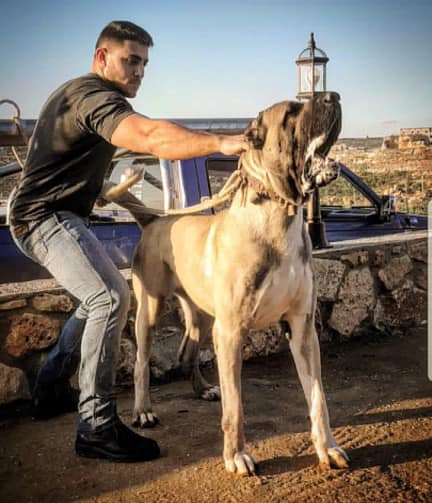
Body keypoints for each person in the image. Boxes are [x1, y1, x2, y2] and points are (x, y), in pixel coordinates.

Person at [9, 20, 248, 463]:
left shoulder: (85, 96)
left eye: (144, 64)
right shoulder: (92, 96)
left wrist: (95, 189)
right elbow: (152, 136)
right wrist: (221, 141)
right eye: (130, 60)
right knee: (109, 297)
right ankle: (96, 427)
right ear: (102, 57)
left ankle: (49, 388)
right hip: (41, 218)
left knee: (93, 301)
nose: (139, 71)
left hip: (54, 213)